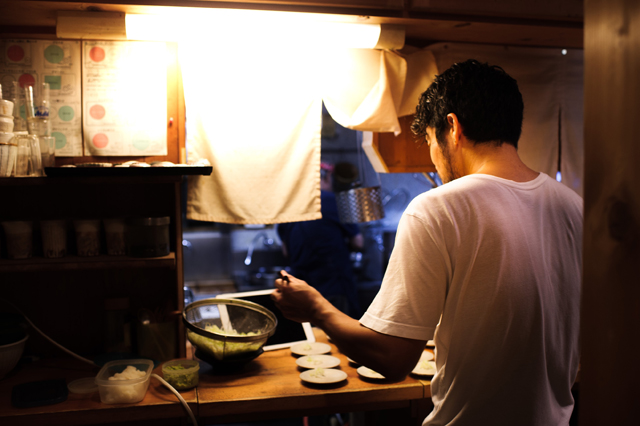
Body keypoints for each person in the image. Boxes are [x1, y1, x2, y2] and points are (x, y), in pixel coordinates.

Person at [272, 59, 583, 425]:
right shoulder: (574, 207)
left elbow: (391, 359)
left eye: (432, 142)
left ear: (452, 128)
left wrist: (317, 310)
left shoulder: (439, 208)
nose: (436, 162)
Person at [276, 162, 364, 318]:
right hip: (333, 285)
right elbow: (358, 242)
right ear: (327, 177)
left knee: (312, 337)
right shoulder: (333, 201)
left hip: (302, 289)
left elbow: (285, 251)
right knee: (338, 333)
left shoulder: (288, 206)